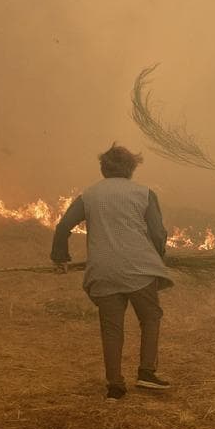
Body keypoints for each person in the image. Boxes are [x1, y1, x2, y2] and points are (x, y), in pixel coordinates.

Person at [51, 143, 173, 400]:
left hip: (103, 271)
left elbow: (62, 227)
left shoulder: (89, 195)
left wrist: (60, 257)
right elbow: (158, 233)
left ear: (103, 168)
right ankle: (146, 373)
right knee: (150, 318)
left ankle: (115, 386)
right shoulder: (145, 194)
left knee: (111, 329)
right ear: (131, 168)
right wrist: (159, 257)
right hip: (140, 269)